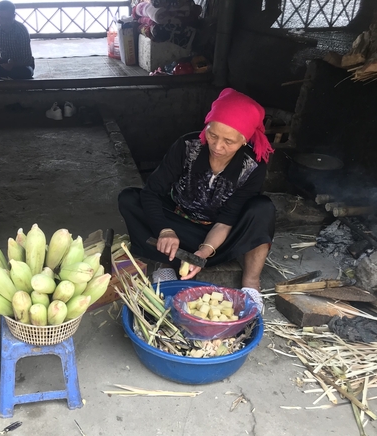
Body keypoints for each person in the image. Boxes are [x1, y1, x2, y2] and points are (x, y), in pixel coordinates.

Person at [118, 88, 276, 305]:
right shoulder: (186, 146)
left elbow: (228, 219)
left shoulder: (253, 165)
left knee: (263, 208)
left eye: (229, 142)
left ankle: (251, 283)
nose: (217, 146)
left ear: (244, 141)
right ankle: (166, 264)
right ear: (206, 127)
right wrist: (165, 230)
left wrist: (204, 251)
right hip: (180, 225)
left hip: (222, 236)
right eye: (212, 134)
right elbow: (152, 191)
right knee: (129, 199)